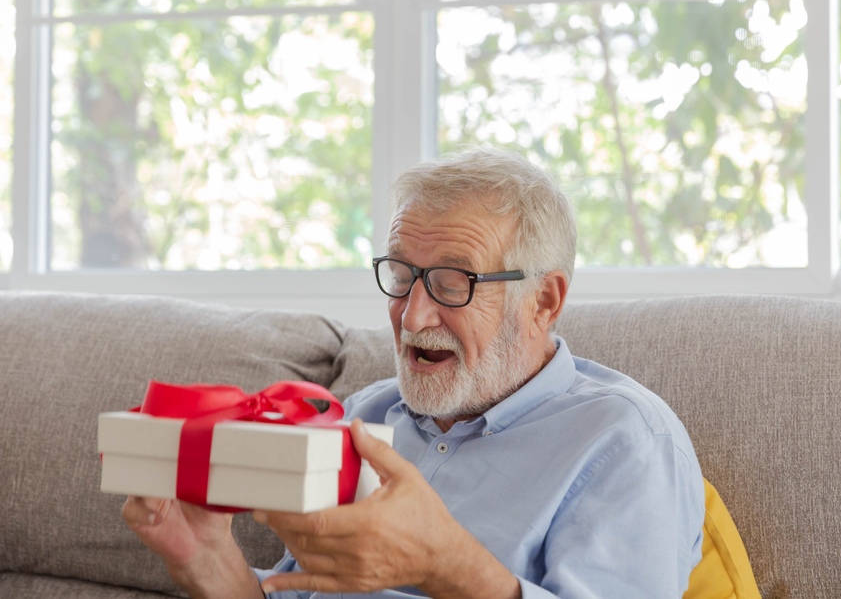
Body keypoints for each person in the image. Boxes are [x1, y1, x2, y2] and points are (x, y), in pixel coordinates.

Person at [122, 147, 705, 598]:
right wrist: (205, 557)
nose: (413, 314)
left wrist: (447, 566)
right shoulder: (365, 417)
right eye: (402, 275)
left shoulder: (624, 441)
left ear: (544, 301)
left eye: (453, 282)